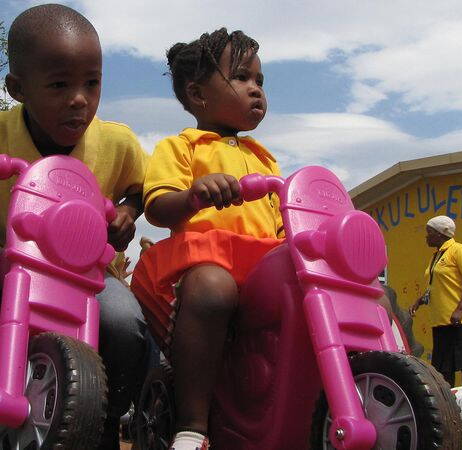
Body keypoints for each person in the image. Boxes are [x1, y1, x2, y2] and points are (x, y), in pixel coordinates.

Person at [2, 5, 149, 448]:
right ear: (18, 88)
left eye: (92, 82)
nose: (80, 98)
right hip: (9, 267)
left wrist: (128, 211)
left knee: (123, 322)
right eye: (60, 85)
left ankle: (101, 416)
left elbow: (143, 189)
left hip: (86, 278)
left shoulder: (116, 142)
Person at [130, 28, 284, 450]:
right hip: (204, 269)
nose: (256, 90)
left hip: (261, 270)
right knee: (213, 286)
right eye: (242, 78)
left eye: (260, 81)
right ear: (198, 95)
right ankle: (192, 427)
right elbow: (158, 208)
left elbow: (281, 222)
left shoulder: (263, 156)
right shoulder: (183, 146)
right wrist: (196, 195)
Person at [409, 215, 462, 387]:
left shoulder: (460, 251)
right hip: (441, 321)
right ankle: (449, 406)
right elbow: (435, 285)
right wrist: (419, 301)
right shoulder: (436, 256)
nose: (426, 237)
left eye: (429, 233)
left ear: (441, 234)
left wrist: (460, 309)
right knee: (443, 369)